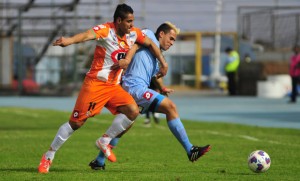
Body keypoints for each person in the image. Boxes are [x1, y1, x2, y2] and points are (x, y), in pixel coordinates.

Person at [38, 3, 169, 174]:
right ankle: (48, 156)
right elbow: (86, 35)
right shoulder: (106, 30)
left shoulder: (133, 33)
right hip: (95, 84)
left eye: (133, 21)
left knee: (133, 111)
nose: (132, 25)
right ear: (118, 20)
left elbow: (151, 43)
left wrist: (164, 64)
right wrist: (69, 41)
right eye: (129, 21)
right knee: (76, 123)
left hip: (114, 87)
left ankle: (105, 140)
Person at [89, 22, 211, 170]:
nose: (172, 43)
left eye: (174, 40)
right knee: (170, 107)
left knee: (123, 127)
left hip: (134, 89)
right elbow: (135, 44)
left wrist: (162, 87)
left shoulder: (154, 56)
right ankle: (190, 150)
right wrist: (127, 60)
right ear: (161, 34)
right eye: (171, 38)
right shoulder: (148, 34)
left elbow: (154, 76)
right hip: (134, 87)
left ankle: (99, 162)